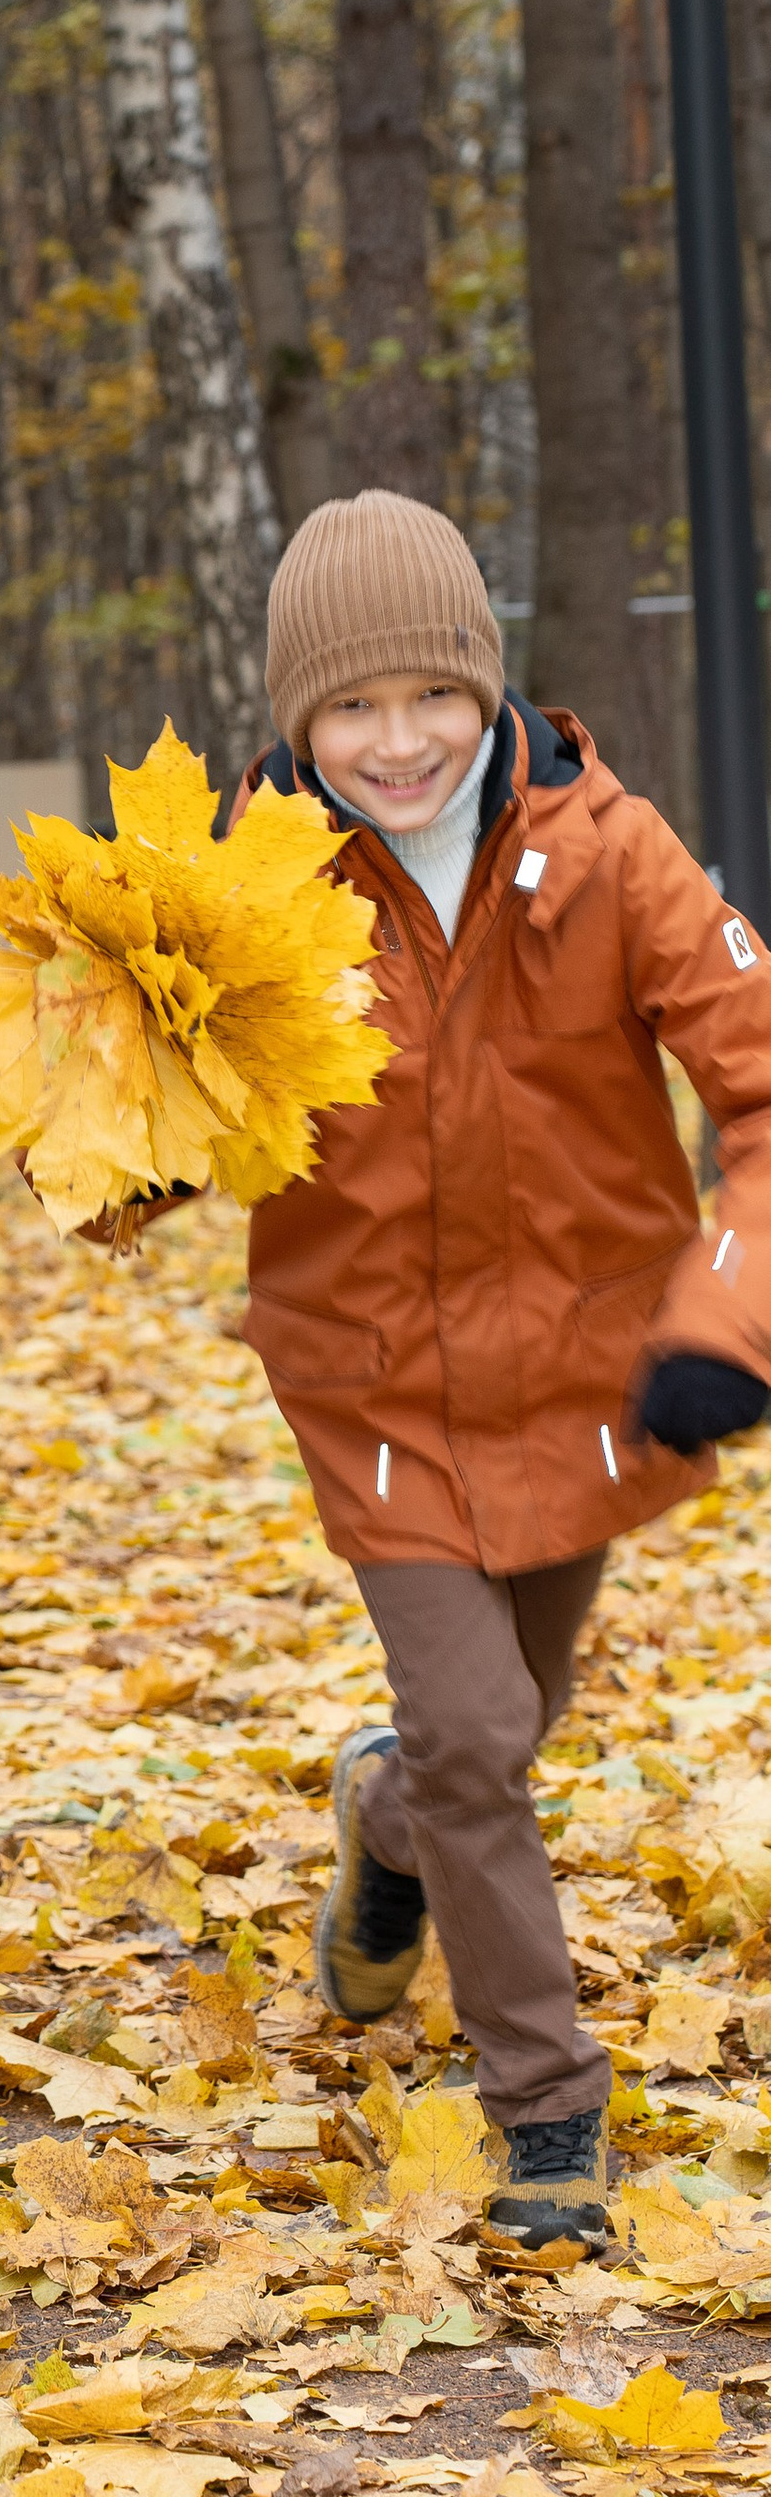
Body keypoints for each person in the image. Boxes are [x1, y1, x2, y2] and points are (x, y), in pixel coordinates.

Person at [235, 490, 771, 2251]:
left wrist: (724, 1323)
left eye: (431, 698)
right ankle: (545, 2106)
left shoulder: (610, 856)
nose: (396, 745)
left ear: (489, 686)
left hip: (590, 1374)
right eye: (349, 711)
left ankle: (387, 1831)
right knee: (480, 1729)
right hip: (376, 1384)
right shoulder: (252, 880)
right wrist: (112, 1137)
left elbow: (762, 1087)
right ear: (297, 722)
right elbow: (150, 1117)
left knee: (494, 1736)